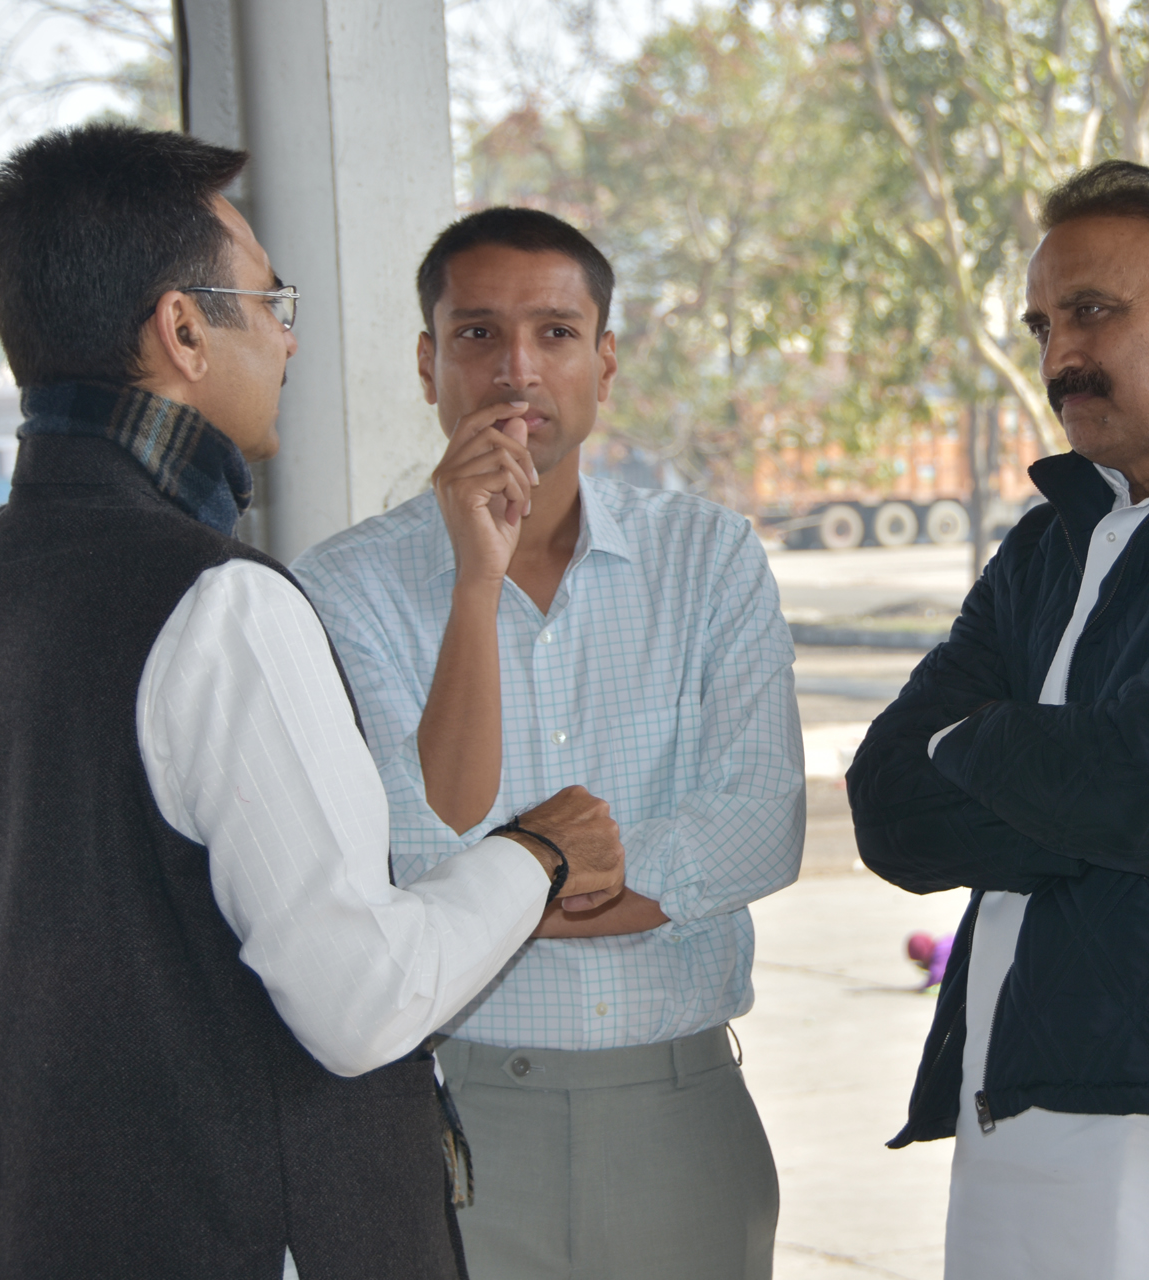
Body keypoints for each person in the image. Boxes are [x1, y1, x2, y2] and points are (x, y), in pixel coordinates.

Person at [0, 124, 625, 1280]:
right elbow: (359, 996)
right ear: (184, 330)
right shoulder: (216, 605)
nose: (288, 336)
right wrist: (534, 854)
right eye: (267, 298)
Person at [292, 207, 802, 1280]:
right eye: (477, 334)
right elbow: (411, 856)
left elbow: (757, 831)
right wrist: (473, 578)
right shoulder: (344, 588)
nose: (516, 368)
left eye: (556, 333)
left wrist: (495, 897)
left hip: (681, 1114)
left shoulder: (705, 556)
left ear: (604, 359)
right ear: (429, 362)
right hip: (454, 1116)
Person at [847, 160, 1149, 1279]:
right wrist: (1069, 784)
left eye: (1095, 311)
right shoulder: (1049, 538)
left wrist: (970, 743)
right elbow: (886, 807)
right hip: (1003, 1082)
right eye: (1043, 322)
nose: (1060, 353)